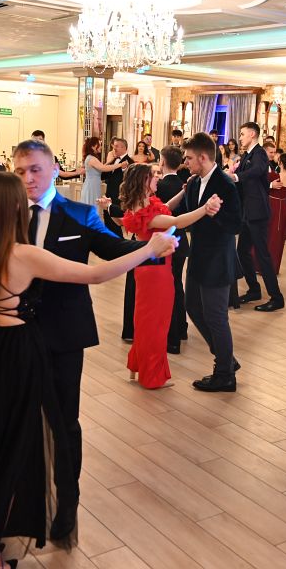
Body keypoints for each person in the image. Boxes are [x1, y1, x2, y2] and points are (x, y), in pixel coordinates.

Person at [0, 171, 176, 569]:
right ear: (11, 208)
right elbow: (94, 274)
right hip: (14, 355)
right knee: (14, 453)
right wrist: (150, 248)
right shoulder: (23, 255)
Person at [1, 139, 142, 543]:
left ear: (54, 171)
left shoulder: (79, 214)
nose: (28, 178)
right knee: (16, 419)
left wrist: (154, 247)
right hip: (13, 334)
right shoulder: (6, 213)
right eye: (21, 171)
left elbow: (112, 249)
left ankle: (67, 500)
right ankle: (19, 497)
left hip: (64, 334)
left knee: (64, 421)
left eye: (35, 170)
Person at [101, 164, 221, 388]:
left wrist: (183, 192)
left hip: (150, 269)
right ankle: (151, 377)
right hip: (156, 273)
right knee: (156, 324)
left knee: (146, 321)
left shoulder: (143, 204)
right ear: (144, 181)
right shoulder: (144, 212)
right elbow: (176, 222)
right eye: (153, 175)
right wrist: (205, 209)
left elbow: (165, 209)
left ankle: (139, 367)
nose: (158, 177)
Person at [171, 133, 242, 392]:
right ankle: (226, 358)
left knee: (216, 316)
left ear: (203, 157)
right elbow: (183, 215)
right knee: (192, 307)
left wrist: (215, 213)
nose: (186, 162)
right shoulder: (193, 183)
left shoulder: (225, 184)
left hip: (218, 259)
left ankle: (225, 375)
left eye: (189, 158)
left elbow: (236, 224)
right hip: (198, 256)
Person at [234, 121, 285, 312]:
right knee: (242, 252)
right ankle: (254, 290)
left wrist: (236, 177)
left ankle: (277, 298)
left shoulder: (260, 154)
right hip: (247, 212)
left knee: (263, 255)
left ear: (252, 135)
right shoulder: (247, 155)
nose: (240, 137)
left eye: (242, 134)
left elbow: (256, 171)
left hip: (258, 212)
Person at [155, 146, 190, 353]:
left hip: (165, 241)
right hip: (182, 239)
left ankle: (173, 336)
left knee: (168, 287)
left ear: (162, 161)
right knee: (177, 284)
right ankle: (182, 328)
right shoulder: (186, 185)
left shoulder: (159, 186)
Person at [265, 152, 286, 273]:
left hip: (271, 205)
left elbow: (261, 185)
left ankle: (261, 266)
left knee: (266, 235)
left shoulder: (273, 176)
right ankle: (274, 267)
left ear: (280, 163)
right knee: (278, 237)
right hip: (283, 206)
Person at [79, 136, 126, 210]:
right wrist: (120, 165)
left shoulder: (92, 158)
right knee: (91, 206)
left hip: (94, 185)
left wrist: (109, 162)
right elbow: (103, 168)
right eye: (99, 145)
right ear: (93, 146)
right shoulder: (91, 158)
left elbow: (101, 168)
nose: (101, 147)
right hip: (91, 186)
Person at [102, 138, 132, 236]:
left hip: (119, 198)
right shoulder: (113, 160)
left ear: (124, 148)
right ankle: (110, 242)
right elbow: (102, 176)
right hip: (109, 195)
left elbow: (130, 180)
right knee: (108, 223)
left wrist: (123, 170)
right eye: (114, 146)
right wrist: (109, 162)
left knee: (116, 225)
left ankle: (118, 242)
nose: (114, 148)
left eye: (116, 146)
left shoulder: (130, 162)